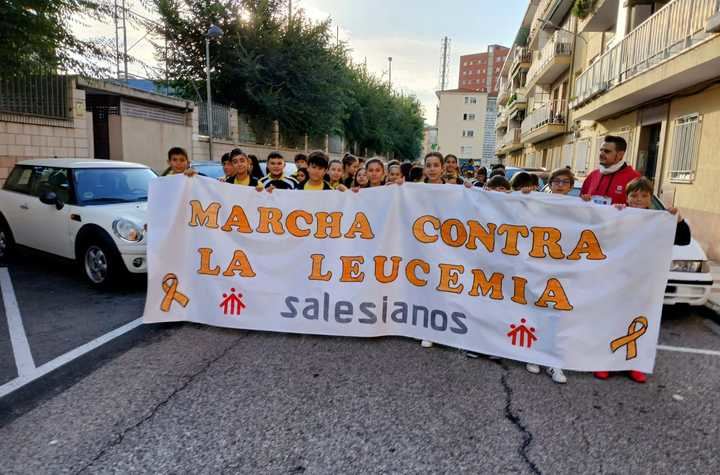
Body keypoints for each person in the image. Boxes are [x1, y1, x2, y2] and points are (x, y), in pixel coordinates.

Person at [592, 177, 691, 384]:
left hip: (646, 282)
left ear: (650, 198)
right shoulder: (619, 215)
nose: (638, 199)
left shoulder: (659, 219)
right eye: (634, 195)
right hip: (618, 280)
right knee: (612, 321)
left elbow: (684, 239)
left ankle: (634, 364)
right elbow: (598, 236)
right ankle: (604, 362)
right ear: (626, 197)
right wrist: (613, 214)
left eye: (644, 195)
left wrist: (678, 220)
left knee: (641, 321)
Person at [580, 135, 640, 205]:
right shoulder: (593, 175)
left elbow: (641, 207)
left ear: (620, 155)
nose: (601, 154)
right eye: (601, 150)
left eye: (607, 151)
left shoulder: (634, 178)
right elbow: (581, 200)